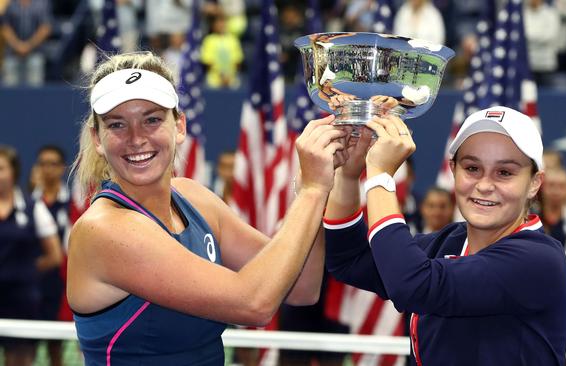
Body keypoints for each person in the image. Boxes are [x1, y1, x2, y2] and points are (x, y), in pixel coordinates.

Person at [66, 52, 347, 364]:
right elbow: (254, 303)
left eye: (152, 119)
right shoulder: (105, 229)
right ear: (98, 139)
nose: (136, 138)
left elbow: (301, 287)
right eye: (117, 125)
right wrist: (311, 190)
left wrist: (321, 182)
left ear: (180, 126)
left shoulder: (193, 198)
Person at [324, 106, 566, 365]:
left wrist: (380, 176)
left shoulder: (539, 259)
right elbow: (348, 260)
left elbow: (414, 285)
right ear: (453, 170)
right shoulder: (449, 241)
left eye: (505, 173)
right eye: (472, 168)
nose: (485, 185)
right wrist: (349, 176)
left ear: (534, 183)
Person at [0, 145, 63, 366]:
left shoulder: (32, 208)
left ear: (13, 172)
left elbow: (54, 256)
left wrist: (22, 272)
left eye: (1, 168)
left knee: (20, 359)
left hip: (22, 302)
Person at [31, 145, 71, 366]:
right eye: (43, 163)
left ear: (62, 168)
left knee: (56, 349)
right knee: (22, 349)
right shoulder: (27, 206)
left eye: (53, 163)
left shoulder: (72, 206)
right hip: (31, 287)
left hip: (61, 287)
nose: (48, 169)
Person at [1, 0, 52, 86]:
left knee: (35, 91)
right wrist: (17, 45)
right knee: (9, 90)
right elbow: (5, 27)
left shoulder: (42, 3)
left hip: (35, 52)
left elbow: (46, 28)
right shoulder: (10, 3)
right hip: (12, 53)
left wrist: (29, 45)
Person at [200, 12, 243, 89]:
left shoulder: (233, 40)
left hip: (231, 78)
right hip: (213, 79)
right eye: (218, 23)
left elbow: (238, 61)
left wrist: (228, 76)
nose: (221, 25)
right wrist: (221, 76)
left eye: (223, 22)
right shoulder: (209, 40)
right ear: (213, 25)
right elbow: (207, 62)